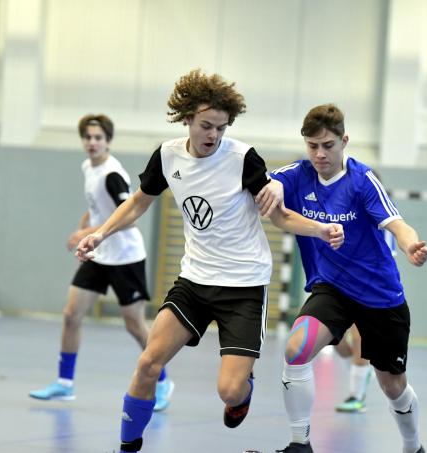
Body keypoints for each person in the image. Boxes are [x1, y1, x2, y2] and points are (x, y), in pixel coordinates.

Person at [74, 70, 344, 453]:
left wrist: (320, 229)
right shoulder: (167, 156)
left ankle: (243, 388)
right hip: (194, 281)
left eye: (220, 127)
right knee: (149, 362)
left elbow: (279, 216)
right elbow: (137, 203)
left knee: (229, 392)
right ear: (187, 118)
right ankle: (127, 447)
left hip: (244, 287)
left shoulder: (242, 158)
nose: (213, 135)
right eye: (206, 125)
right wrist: (101, 233)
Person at [271, 104, 427, 453]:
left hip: (379, 296)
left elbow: (397, 224)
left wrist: (410, 245)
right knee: (296, 349)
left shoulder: (362, 181)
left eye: (327, 145)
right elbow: (261, 184)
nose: (319, 153)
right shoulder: (297, 175)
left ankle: (412, 445)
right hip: (332, 289)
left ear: (344, 141)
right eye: (312, 145)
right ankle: (300, 443)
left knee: (393, 386)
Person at [29, 114, 173, 410]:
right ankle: (65, 383)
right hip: (99, 253)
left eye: (98, 138)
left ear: (108, 141)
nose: (92, 143)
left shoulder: (111, 174)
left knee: (134, 324)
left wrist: (88, 231)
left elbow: (128, 218)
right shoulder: (88, 167)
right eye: (88, 137)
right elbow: (97, 207)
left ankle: (163, 381)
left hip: (125, 257)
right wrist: (86, 222)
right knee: (72, 314)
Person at [333, 192, 397, 414]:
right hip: (339, 284)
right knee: (336, 339)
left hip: (369, 287)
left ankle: (356, 395)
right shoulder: (341, 211)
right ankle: (360, 371)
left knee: (361, 339)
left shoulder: (383, 217)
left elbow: (388, 254)